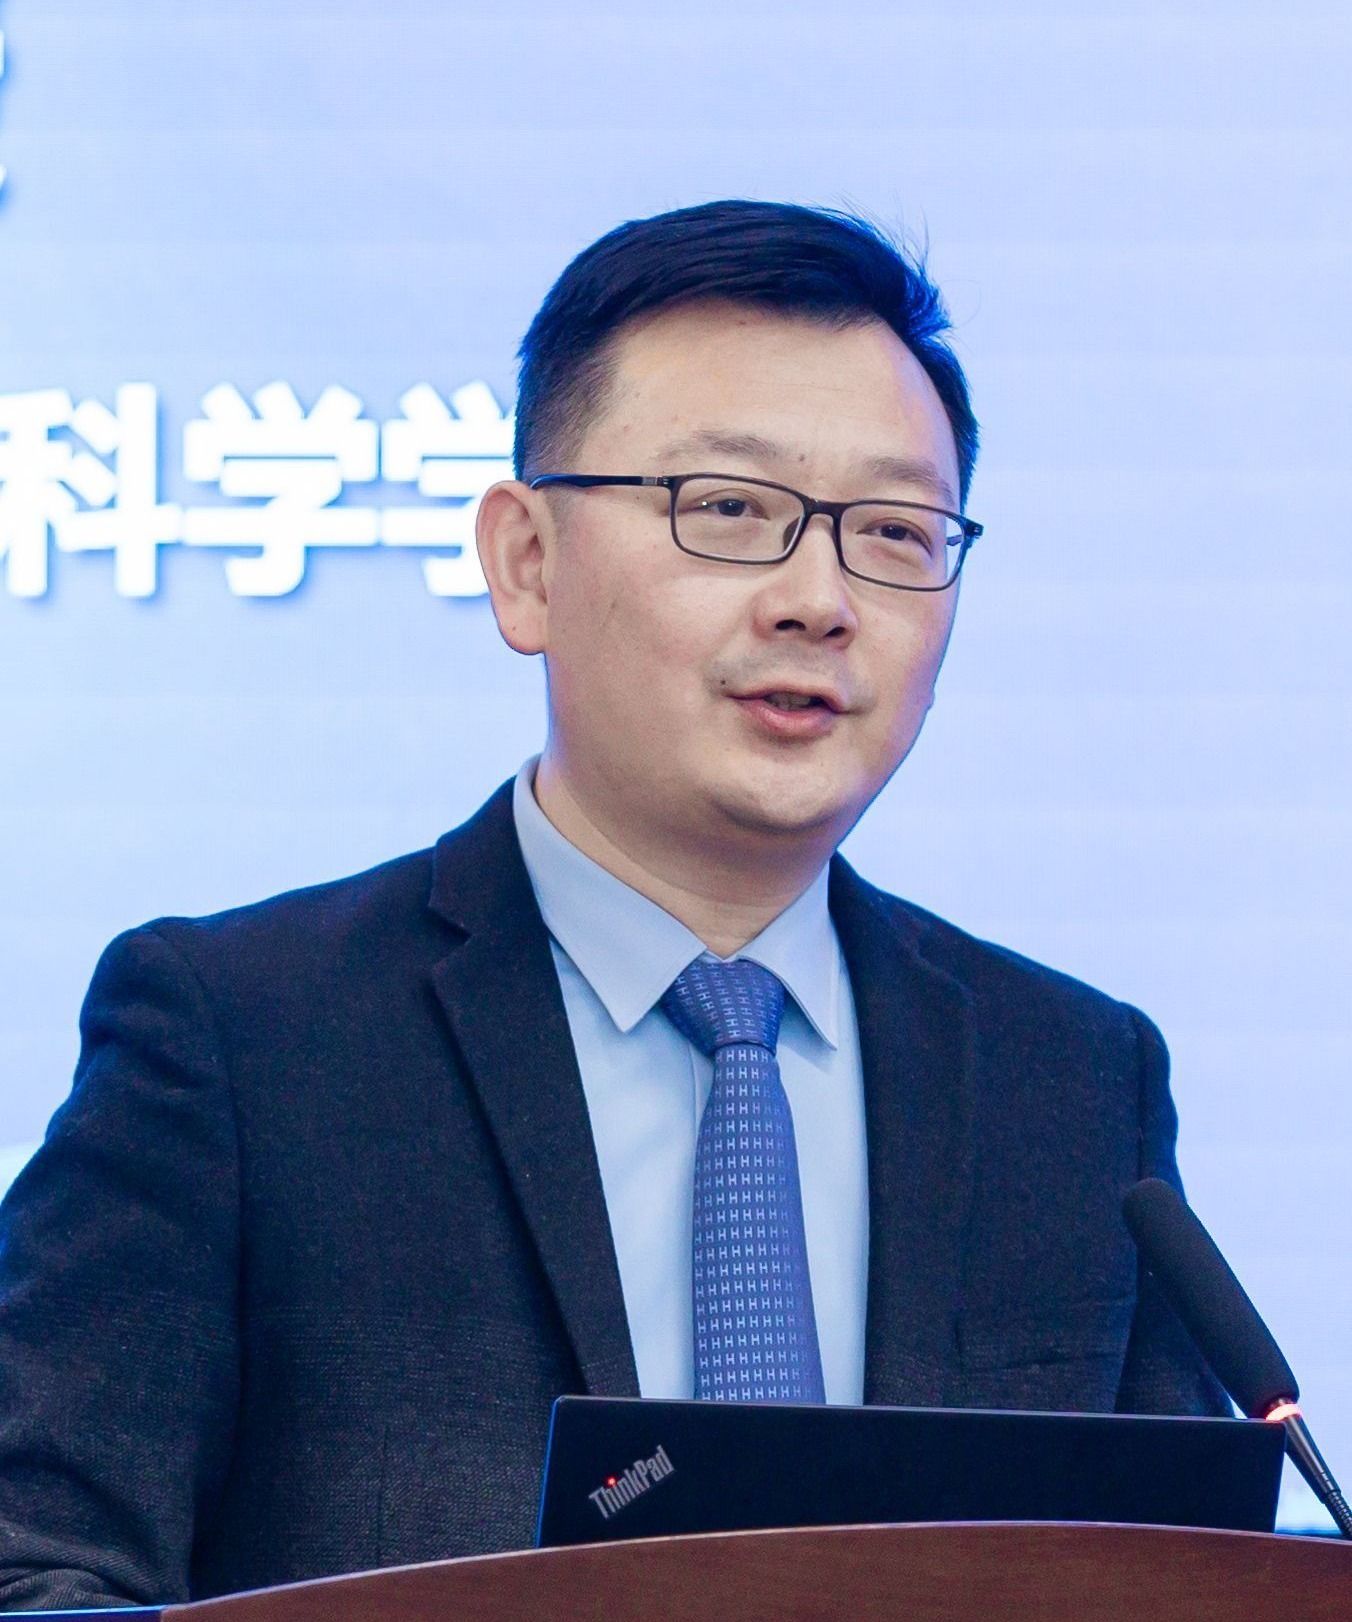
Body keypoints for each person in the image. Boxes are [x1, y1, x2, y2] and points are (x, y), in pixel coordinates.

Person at [0, 200, 1226, 1611]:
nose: (820, 600)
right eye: (731, 510)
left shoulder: (1073, 1079)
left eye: (895, 530)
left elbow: (1185, 1579)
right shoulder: (239, 1040)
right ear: (527, 562)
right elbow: (34, 1568)